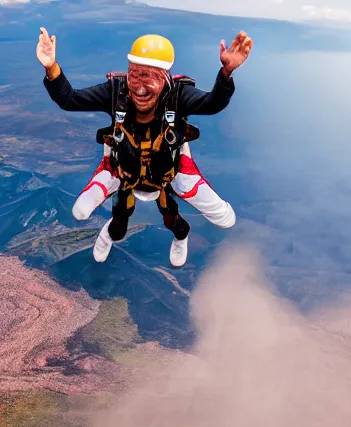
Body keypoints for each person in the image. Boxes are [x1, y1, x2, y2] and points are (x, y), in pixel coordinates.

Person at [37, 29, 252, 266]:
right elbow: (70, 100)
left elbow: (212, 104)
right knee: (93, 216)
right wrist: (51, 68)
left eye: (148, 76)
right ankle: (109, 235)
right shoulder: (116, 91)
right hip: (123, 174)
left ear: (165, 77)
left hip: (168, 176)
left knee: (216, 220)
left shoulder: (178, 95)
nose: (139, 87)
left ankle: (181, 237)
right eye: (135, 75)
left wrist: (226, 73)